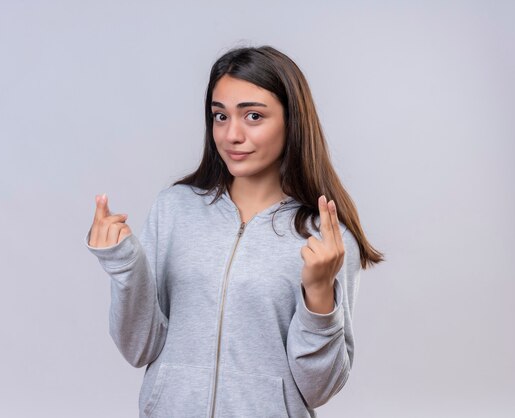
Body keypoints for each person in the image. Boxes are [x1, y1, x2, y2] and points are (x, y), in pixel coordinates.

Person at [85, 45, 384, 418]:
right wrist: (125, 267)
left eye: (254, 116)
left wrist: (320, 293)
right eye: (220, 116)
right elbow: (139, 348)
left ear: (292, 122)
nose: (231, 135)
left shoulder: (325, 237)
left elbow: (319, 387)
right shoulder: (175, 209)